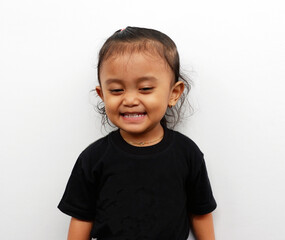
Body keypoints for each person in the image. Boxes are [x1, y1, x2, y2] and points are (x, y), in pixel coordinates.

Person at [58, 26, 217, 240]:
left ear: (173, 93)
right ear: (102, 94)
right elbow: (81, 218)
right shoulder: (93, 158)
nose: (130, 100)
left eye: (145, 89)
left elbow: (200, 213)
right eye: (116, 90)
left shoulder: (187, 153)